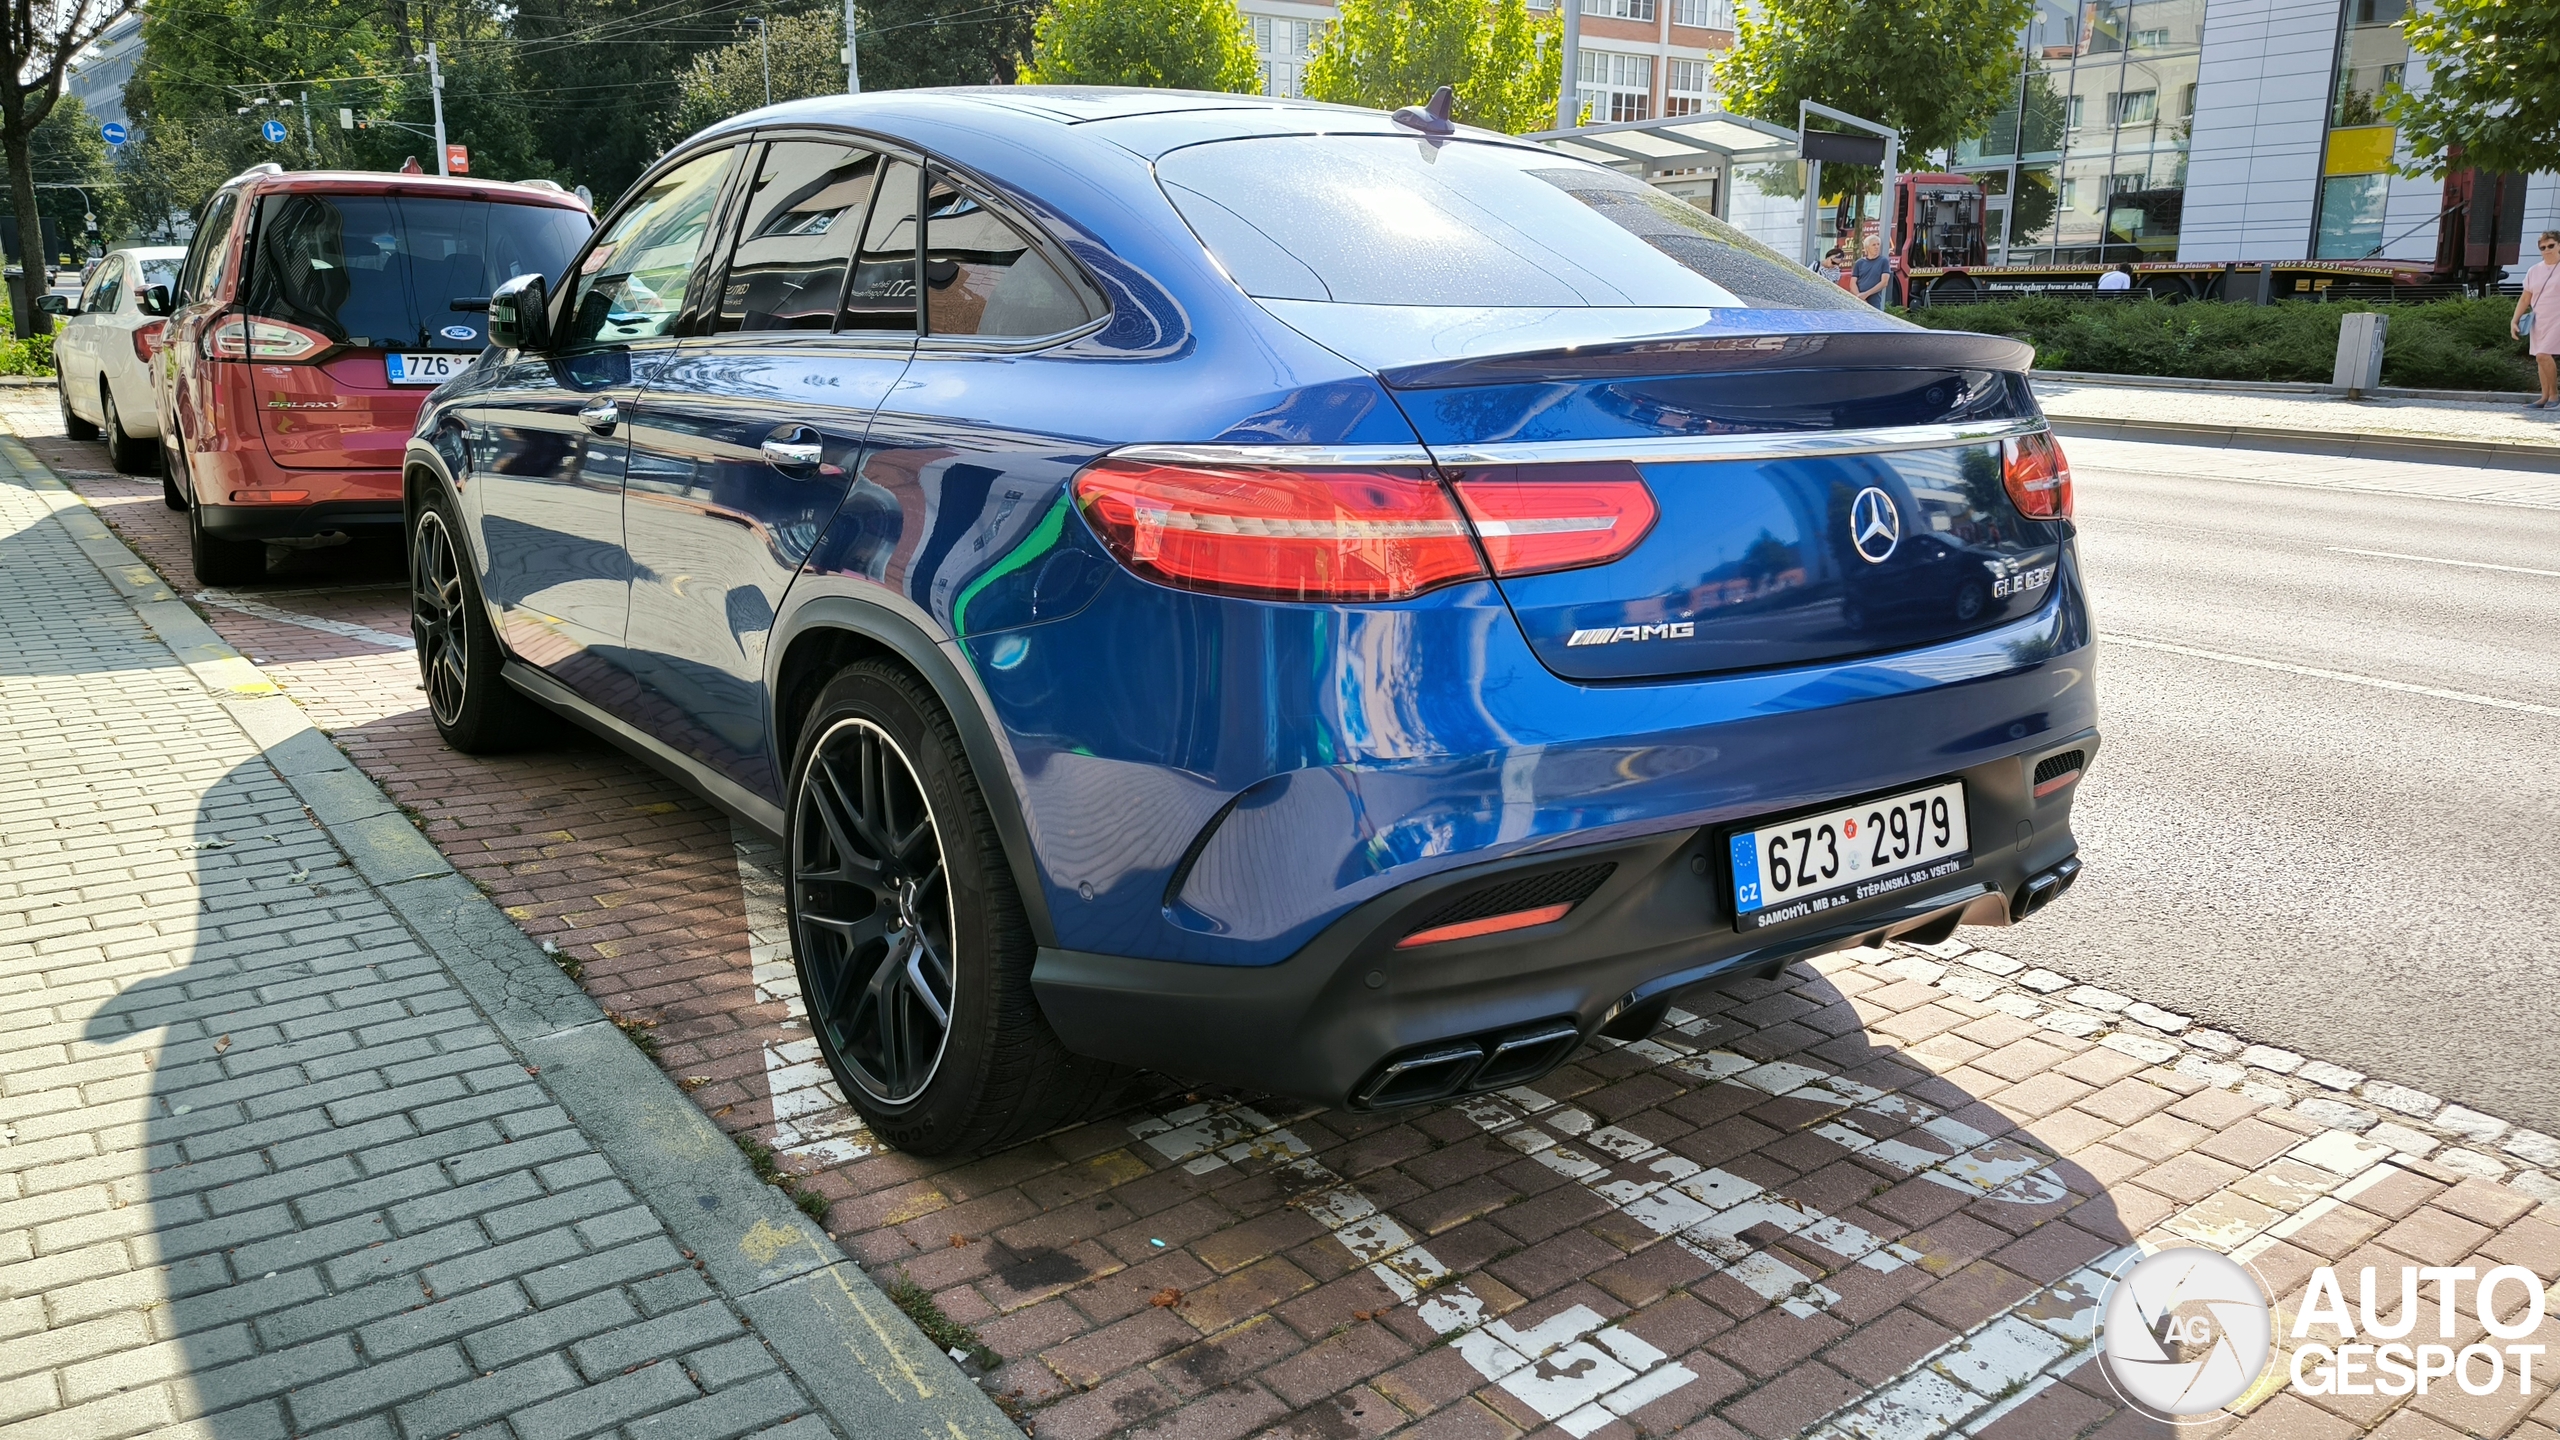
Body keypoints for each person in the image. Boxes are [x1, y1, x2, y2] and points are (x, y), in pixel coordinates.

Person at [2516, 232, 2560, 409]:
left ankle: (2555, 397)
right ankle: (2544, 397)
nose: (2547, 250)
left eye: (2551, 245)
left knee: (2543, 354)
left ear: (2559, 245)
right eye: (2543, 247)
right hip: (2539, 319)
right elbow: (2525, 298)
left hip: (2558, 318)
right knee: (2540, 358)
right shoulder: (2533, 271)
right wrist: (2515, 319)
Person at [1852, 234, 1891, 308]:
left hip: (1874, 301)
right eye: (1873, 245)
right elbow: (1852, 282)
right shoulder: (1859, 263)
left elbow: (1884, 282)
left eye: (1878, 244)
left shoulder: (1883, 261)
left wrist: (1866, 294)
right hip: (1858, 301)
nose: (1876, 247)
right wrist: (1859, 297)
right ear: (1867, 247)